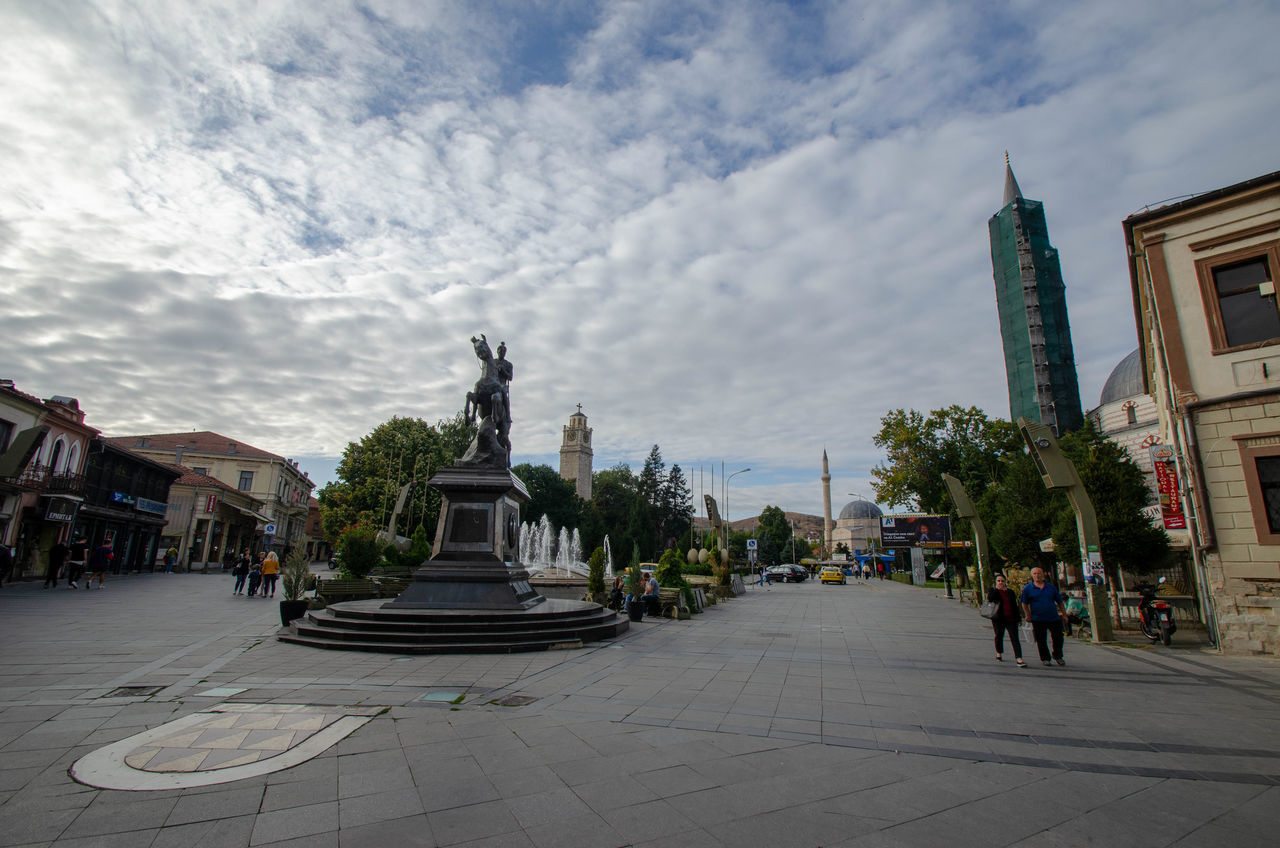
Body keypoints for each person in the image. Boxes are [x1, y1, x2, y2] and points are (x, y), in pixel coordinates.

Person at [1020, 566, 1068, 666]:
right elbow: (1024, 603)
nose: (1037, 576)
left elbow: (1059, 602)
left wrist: (1064, 614)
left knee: (1058, 638)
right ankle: (1045, 658)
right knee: (1041, 640)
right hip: (1038, 618)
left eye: (1039, 573)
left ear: (1043, 574)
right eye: (1035, 574)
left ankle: (1058, 655)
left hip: (1053, 617)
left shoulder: (1050, 587)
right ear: (1032, 576)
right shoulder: (1028, 589)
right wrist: (1028, 615)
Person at [987, 574, 1025, 667]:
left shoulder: (1010, 592)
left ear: (1005, 582)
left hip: (1011, 618)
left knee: (1015, 638)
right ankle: (999, 652)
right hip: (999, 619)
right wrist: (997, 589)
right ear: (995, 582)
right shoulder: (993, 591)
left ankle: (1019, 658)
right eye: (998, 581)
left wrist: (1018, 618)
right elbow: (990, 598)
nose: (1001, 583)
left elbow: (1015, 606)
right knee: (999, 636)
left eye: (1002, 581)